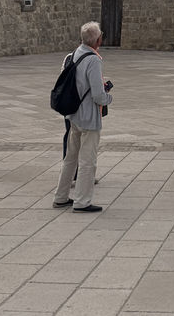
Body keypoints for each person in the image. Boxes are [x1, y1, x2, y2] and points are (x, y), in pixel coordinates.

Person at [52, 21, 112, 212]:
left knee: (71, 157)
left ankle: (61, 197)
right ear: (98, 40)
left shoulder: (75, 53)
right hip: (88, 117)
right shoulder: (93, 59)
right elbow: (97, 94)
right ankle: (82, 201)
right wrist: (108, 97)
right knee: (88, 160)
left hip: (74, 114)